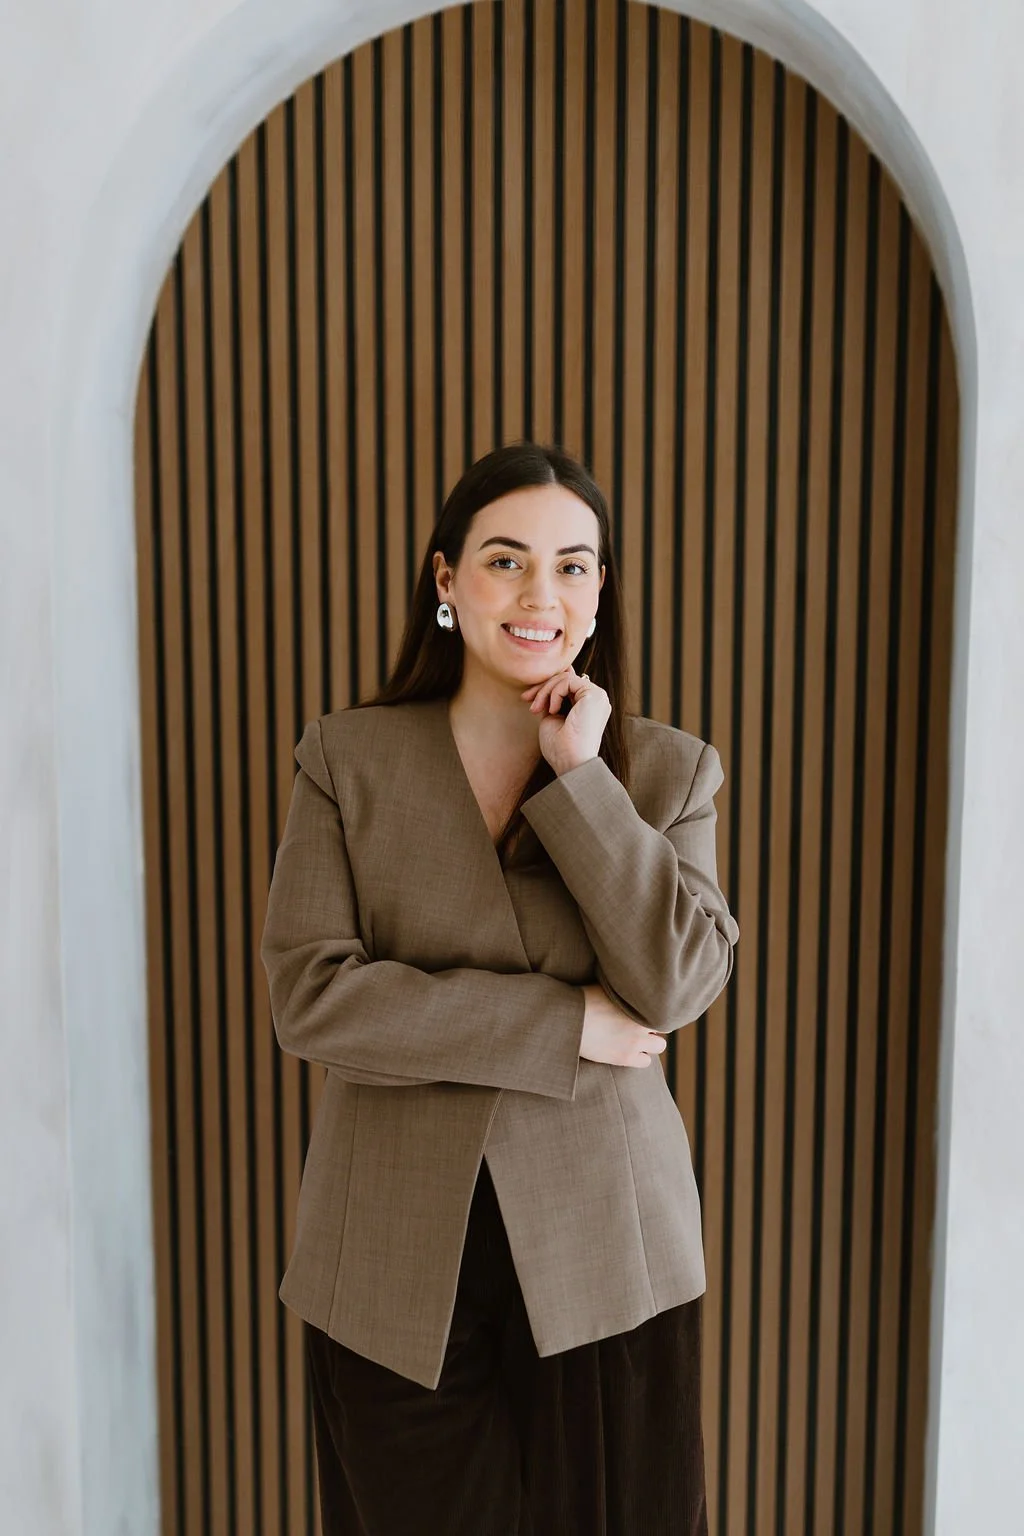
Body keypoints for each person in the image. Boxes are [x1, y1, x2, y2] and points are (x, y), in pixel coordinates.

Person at [260, 441, 740, 1535]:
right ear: (445, 578)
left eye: (574, 566)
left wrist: (582, 779)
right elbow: (315, 999)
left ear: (601, 588)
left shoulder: (665, 771)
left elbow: (674, 980)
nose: (542, 594)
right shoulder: (345, 760)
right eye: (506, 560)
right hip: (383, 1265)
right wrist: (567, 1025)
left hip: (607, 1260)